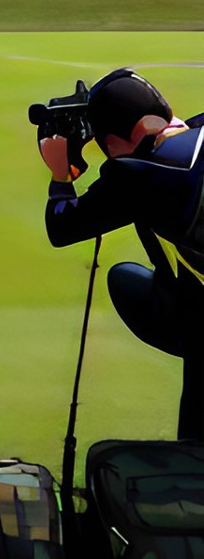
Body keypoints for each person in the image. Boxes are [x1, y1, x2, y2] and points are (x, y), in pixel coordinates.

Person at [38, 67, 204, 439]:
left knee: (130, 283)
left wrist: (60, 176)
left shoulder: (137, 175)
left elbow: (62, 226)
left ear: (114, 141)